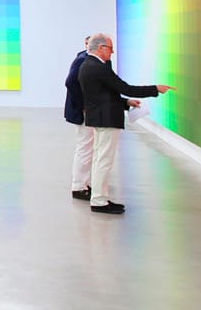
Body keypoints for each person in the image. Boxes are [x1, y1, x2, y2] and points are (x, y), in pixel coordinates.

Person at [78, 33, 174, 214]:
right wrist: (155, 89)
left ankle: (99, 198)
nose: (112, 52)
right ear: (100, 48)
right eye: (110, 48)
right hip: (106, 119)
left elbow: (105, 94)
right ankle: (99, 201)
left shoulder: (88, 65)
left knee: (100, 159)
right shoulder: (98, 67)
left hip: (99, 118)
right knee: (103, 161)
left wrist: (126, 102)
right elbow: (124, 88)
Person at [65, 36, 94, 200]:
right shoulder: (82, 59)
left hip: (87, 111)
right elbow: (70, 82)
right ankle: (79, 186)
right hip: (83, 112)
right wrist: (83, 105)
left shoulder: (84, 58)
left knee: (88, 148)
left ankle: (83, 183)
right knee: (85, 148)